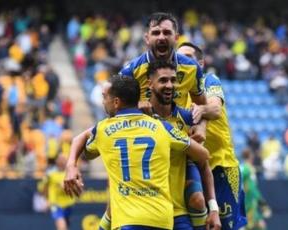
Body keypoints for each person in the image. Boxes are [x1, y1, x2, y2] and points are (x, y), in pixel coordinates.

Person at [64, 76, 210, 230]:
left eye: (105, 97)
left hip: (128, 220)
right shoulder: (162, 127)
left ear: (116, 102)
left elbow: (86, 151)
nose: (103, 101)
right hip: (162, 219)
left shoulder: (103, 129)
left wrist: (71, 165)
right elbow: (203, 154)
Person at [178, 42, 247, 230]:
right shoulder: (176, 91)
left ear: (200, 63)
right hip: (192, 169)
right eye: (179, 58)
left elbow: (215, 108)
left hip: (222, 166)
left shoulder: (209, 80)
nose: (182, 61)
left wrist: (201, 109)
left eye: (188, 57)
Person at [146, 60, 221, 229]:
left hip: (178, 212)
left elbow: (204, 165)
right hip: (146, 212)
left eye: (173, 80)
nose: (170, 85)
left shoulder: (188, 118)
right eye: (163, 80)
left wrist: (214, 209)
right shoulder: (138, 118)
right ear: (150, 84)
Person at [119, 12, 207, 110]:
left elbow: (201, 105)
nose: (161, 37)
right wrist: (136, 107)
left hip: (179, 124)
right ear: (147, 38)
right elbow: (117, 109)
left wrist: (201, 124)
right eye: (156, 33)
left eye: (167, 32)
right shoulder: (130, 71)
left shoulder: (192, 68)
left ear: (176, 38)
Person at [38, 154, 75, 230]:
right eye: (60, 159)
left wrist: (68, 187)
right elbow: (43, 187)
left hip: (68, 203)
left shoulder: (71, 173)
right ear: (57, 161)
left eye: (64, 159)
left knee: (66, 226)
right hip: (56, 204)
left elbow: (76, 188)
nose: (62, 161)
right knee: (62, 227)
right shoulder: (50, 174)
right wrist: (47, 200)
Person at [240, 149, 271, 230]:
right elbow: (252, 187)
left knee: (260, 225)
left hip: (246, 200)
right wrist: (262, 203)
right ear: (251, 157)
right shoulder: (248, 169)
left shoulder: (242, 167)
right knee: (252, 225)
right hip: (249, 201)